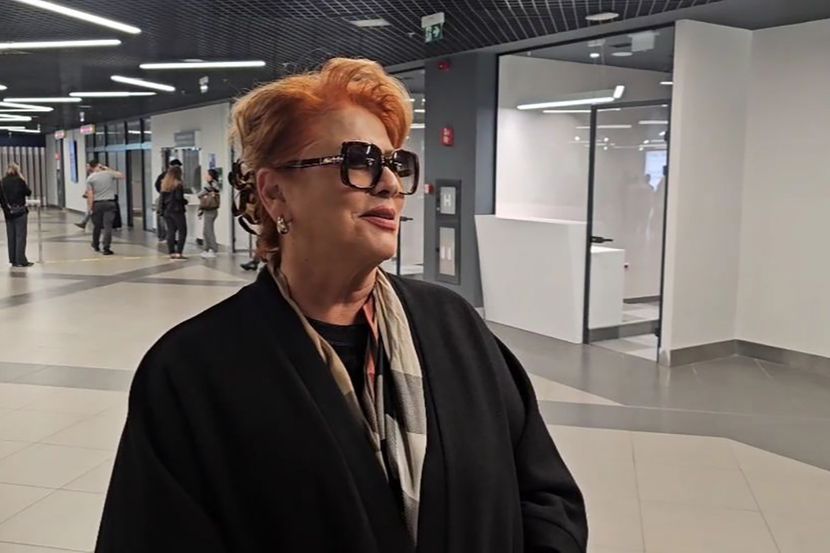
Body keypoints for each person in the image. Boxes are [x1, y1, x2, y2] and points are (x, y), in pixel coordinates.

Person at [96, 58, 587, 553]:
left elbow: (547, 497)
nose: (389, 184)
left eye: (395, 164)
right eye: (360, 161)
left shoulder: (453, 326)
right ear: (275, 193)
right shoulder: (193, 371)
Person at [85, 159, 123, 256]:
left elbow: (90, 195)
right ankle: (106, 248)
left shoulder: (90, 178)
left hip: (97, 204)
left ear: (91, 167)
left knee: (97, 226)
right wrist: (107, 168)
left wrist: (90, 208)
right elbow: (121, 175)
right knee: (108, 227)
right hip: (110, 203)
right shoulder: (108, 174)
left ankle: (95, 244)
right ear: (99, 165)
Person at [0, 163, 33, 267]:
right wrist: (23, 180)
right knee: (20, 236)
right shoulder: (19, 181)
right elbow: (28, 192)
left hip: (8, 212)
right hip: (20, 211)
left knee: (11, 236)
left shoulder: (3, 181)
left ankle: (13, 260)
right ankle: (21, 260)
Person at [159, 166, 188, 260]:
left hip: (167, 211)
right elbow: (179, 198)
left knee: (171, 231)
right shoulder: (178, 184)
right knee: (182, 231)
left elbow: (161, 199)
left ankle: (171, 252)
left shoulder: (164, 183)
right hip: (177, 211)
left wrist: (161, 211)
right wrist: (185, 201)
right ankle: (179, 253)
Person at [154, 159, 182, 242]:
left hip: (164, 199)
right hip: (167, 201)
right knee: (165, 221)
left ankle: (165, 237)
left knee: (165, 220)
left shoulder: (164, 175)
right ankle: (164, 236)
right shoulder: (168, 176)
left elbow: (157, 186)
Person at [197, 169, 221, 259]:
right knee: (205, 231)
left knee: (209, 231)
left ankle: (213, 249)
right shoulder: (211, 184)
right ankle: (206, 249)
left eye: (207, 174)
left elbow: (199, 194)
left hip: (210, 211)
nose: (205, 176)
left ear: (211, 176)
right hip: (208, 211)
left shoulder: (211, 185)